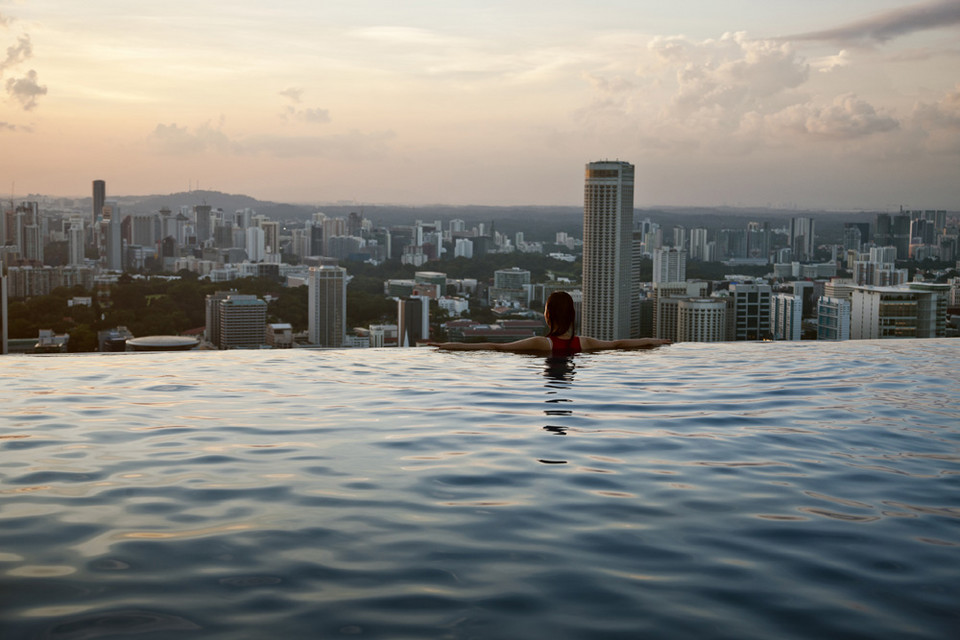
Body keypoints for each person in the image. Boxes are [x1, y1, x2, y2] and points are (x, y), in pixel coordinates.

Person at [430, 291, 671, 353]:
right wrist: (655, 341)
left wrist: (446, 346)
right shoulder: (584, 343)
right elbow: (619, 345)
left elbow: (495, 348)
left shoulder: (542, 344)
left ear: (549, 314)